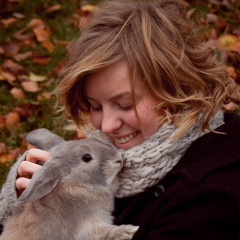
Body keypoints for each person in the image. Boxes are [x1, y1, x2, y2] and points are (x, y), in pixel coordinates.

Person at [0, 0, 239, 239]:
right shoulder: (128, 154)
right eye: (94, 106)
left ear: (179, 90)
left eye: (125, 105)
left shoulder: (209, 199)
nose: (106, 126)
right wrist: (27, 207)